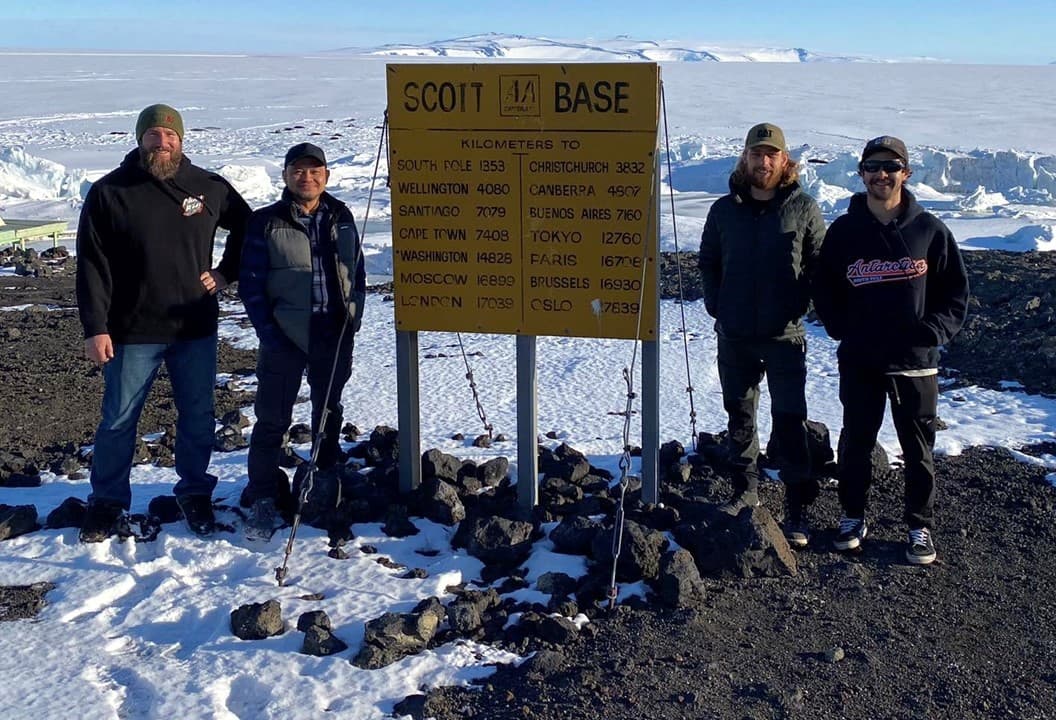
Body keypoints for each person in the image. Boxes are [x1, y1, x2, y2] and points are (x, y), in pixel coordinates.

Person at [76, 103, 251, 542]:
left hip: (194, 328)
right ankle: (107, 501)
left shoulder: (207, 186)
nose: (162, 142)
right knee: (119, 419)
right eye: (153, 134)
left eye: (170, 135)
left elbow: (250, 228)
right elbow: (92, 265)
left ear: (181, 140)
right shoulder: (110, 191)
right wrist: (95, 327)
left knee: (198, 416)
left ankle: (195, 492)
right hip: (131, 330)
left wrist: (226, 273)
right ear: (140, 139)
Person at [813, 135, 969, 565]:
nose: (881, 175)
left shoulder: (929, 230)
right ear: (861, 174)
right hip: (861, 359)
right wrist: (840, 326)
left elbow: (955, 291)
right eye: (873, 167)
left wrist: (932, 332)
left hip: (914, 364)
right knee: (856, 442)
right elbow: (824, 285)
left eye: (891, 167)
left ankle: (919, 526)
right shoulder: (845, 232)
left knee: (918, 449)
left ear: (906, 173)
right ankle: (852, 516)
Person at [698, 123, 826, 548]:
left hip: (783, 335)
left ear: (784, 160)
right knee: (740, 414)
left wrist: (801, 305)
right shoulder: (724, 210)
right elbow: (709, 260)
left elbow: (819, 263)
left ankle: (797, 507)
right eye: (757, 153)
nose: (763, 162)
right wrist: (717, 304)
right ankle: (745, 491)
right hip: (735, 333)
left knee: (790, 419)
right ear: (745, 158)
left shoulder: (803, 208)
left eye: (772, 154)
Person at [238, 142, 365, 539]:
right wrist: (269, 332)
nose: (306, 177)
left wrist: (354, 317)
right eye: (298, 170)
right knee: (272, 417)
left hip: (333, 331)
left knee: (328, 410)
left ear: (326, 175)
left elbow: (356, 270)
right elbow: (251, 284)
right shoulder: (265, 222)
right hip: (285, 335)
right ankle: (263, 494)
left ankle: (324, 478)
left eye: (314, 171)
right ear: (286, 176)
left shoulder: (341, 216)